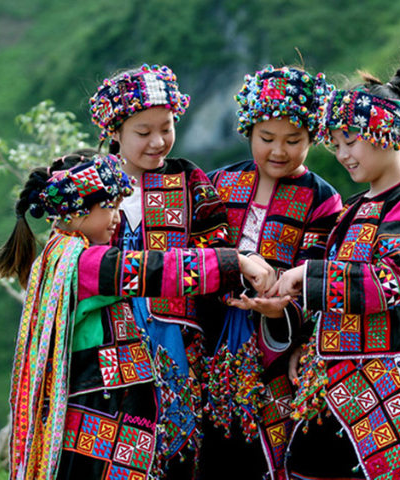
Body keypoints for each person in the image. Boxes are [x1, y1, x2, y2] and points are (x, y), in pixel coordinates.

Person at [0, 152, 274, 480]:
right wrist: (233, 263)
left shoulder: (63, 257)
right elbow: (154, 270)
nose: (116, 217)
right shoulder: (86, 265)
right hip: (100, 408)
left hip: (99, 406)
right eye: (109, 207)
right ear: (78, 210)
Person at [268, 65, 400, 479]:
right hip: (329, 385)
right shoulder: (352, 209)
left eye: (350, 141)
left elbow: (390, 282)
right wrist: (303, 340)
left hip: (386, 384)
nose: (344, 154)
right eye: (335, 145)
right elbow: (332, 294)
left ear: (386, 134)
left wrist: (307, 277)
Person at [88, 64, 237, 477]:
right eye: (143, 132)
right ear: (114, 131)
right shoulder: (92, 186)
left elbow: (217, 242)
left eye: (167, 128)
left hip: (174, 335)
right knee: (114, 435)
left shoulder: (188, 180)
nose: (158, 142)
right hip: (108, 332)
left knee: (178, 435)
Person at [200, 65, 343, 479]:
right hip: (210, 341)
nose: (278, 151)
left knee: (265, 452)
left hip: (276, 350)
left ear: (313, 137)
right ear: (248, 131)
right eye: (267, 139)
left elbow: (315, 279)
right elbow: (199, 250)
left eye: (293, 140)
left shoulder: (322, 200)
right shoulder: (219, 183)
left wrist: (282, 314)